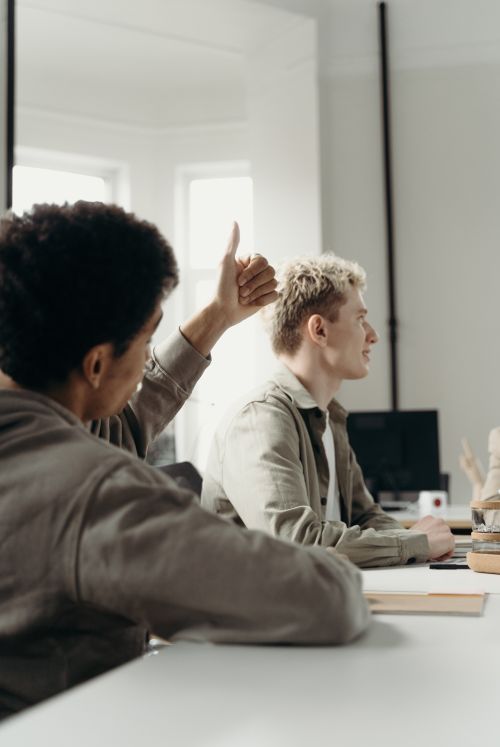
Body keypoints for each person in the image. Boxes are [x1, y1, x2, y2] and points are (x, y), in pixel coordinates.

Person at [0, 203, 369, 719]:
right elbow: (324, 600)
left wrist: (218, 315)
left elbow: (117, 422)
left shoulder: (48, 438)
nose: (148, 355)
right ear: (98, 363)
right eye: (148, 338)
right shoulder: (96, 492)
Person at [201, 254, 455, 567]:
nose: (373, 335)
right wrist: (415, 543)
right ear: (319, 330)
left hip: (318, 597)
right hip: (262, 611)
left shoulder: (330, 418)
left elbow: (366, 516)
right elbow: (297, 542)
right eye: (360, 319)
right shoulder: (260, 420)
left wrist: (421, 547)